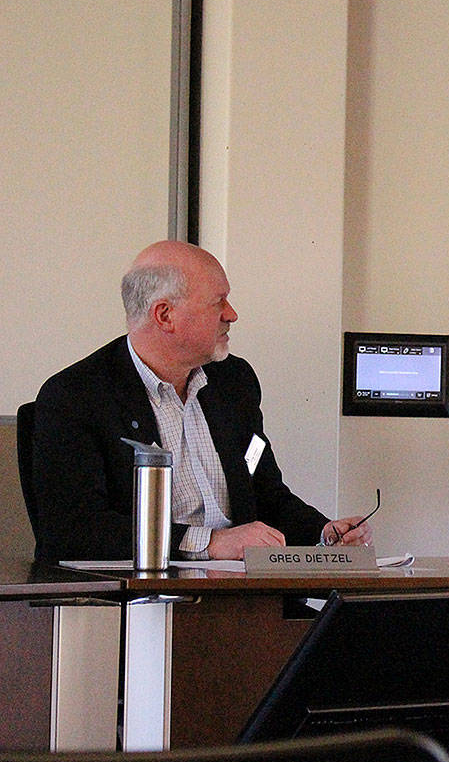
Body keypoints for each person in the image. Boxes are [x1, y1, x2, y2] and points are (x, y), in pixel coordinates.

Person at [32, 241, 374, 562]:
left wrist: (323, 532)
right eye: (218, 302)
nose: (232, 314)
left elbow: (265, 493)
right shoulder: (75, 397)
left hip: (245, 593)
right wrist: (210, 544)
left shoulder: (233, 382)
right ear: (165, 315)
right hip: (147, 603)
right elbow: (73, 532)